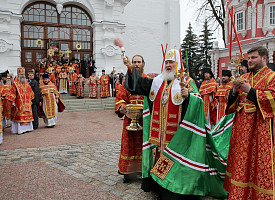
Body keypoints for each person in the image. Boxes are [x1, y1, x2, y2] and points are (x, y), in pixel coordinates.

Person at [124, 49, 226, 199]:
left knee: (175, 164)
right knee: (160, 159)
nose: (168, 65)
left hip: (178, 136)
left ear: (179, 64)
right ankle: (159, 186)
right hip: (160, 135)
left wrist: (189, 97)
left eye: (172, 62)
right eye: (167, 62)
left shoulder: (188, 82)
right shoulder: (158, 81)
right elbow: (139, 85)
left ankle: (175, 188)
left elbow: (198, 103)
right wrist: (130, 68)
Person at [224, 46, 275, 199]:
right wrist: (233, 92)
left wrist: (250, 90)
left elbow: (272, 100)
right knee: (241, 164)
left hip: (260, 129)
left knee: (258, 164)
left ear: (264, 58)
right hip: (241, 130)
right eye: (249, 58)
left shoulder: (271, 76)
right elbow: (232, 105)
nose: (250, 60)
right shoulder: (244, 76)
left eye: (254, 57)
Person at [115, 55, 148, 183]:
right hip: (130, 118)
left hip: (145, 119)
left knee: (143, 145)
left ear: (143, 64)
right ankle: (128, 173)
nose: (136, 64)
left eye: (139, 62)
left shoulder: (147, 80)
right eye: (134, 62)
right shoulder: (126, 82)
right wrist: (121, 107)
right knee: (129, 145)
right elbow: (120, 97)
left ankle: (142, 170)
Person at [6, 67, 34, 134]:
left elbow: (30, 91)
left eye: (23, 74)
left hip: (27, 103)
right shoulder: (15, 83)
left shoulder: (26, 83)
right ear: (18, 75)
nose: (22, 76)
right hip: (19, 102)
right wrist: (13, 101)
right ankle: (20, 130)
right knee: (19, 115)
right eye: (21, 74)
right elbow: (12, 92)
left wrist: (30, 99)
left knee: (28, 114)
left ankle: (28, 128)